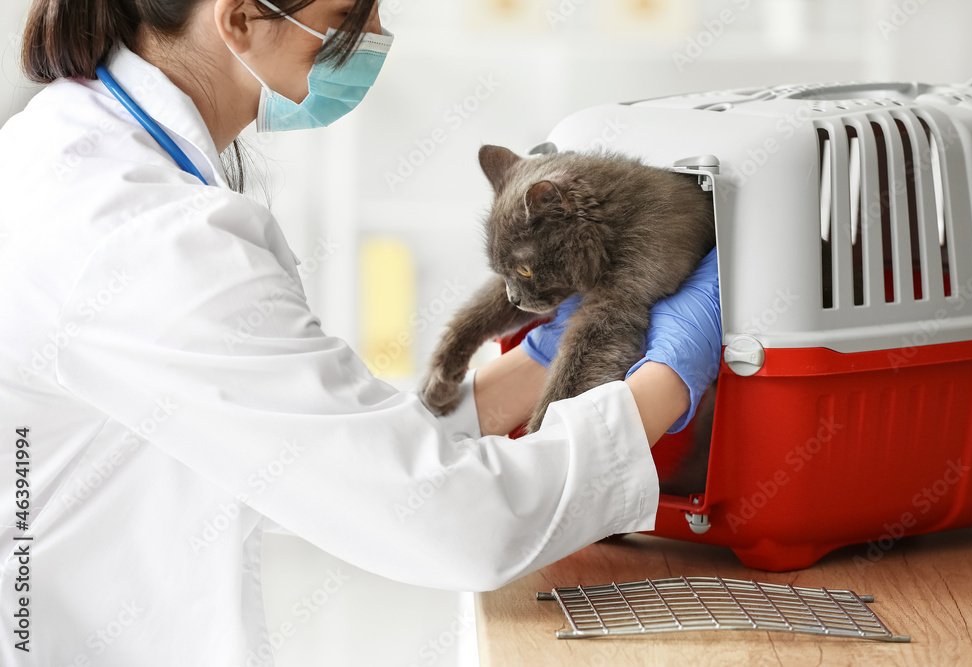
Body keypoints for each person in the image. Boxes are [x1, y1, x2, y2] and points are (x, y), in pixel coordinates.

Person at [0, 0, 721, 664]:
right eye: (349, 14)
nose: (373, 38)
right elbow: (453, 523)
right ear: (242, 19)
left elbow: (314, 442)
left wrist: (536, 365)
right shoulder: (146, 239)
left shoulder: (69, 151)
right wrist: (671, 377)